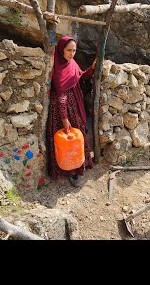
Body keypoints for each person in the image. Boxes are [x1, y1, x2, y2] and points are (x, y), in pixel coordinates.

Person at [46, 36, 96, 187]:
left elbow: (80, 77)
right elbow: (61, 94)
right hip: (62, 109)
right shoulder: (57, 66)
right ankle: (69, 172)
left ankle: (77, 167)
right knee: (66, 137)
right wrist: (64, 118)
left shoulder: (72, 63)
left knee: (77, 135)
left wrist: (92, 69)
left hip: (74, 103)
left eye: (74, 50)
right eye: (69, 50)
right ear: (61, 49)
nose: (72, 53)